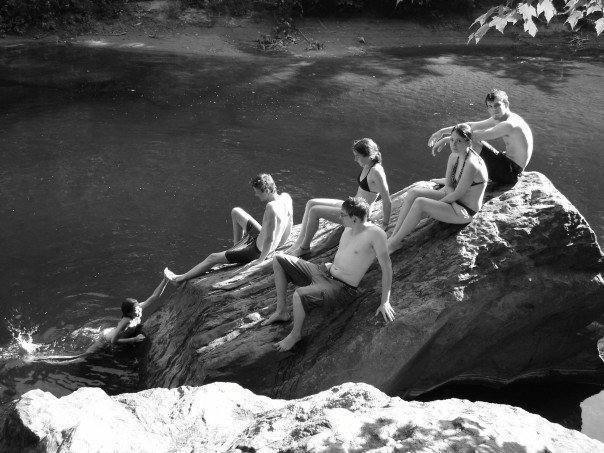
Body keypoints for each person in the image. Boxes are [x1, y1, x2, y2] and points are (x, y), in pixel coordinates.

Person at [265, 197, 395, 352]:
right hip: (324, 272)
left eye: (343, 215)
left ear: (354, 219)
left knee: (299, 295)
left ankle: (295, 335)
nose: (340, 217)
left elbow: (387, 268)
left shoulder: (376, 234)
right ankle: (281, 311)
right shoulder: (350, 226)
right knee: (278, 259)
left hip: (342, 287)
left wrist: (385, 301)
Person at [164, 174, 293, 283]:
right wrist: (280, 245)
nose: (256, 195)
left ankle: (179, 279)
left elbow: (269, 239)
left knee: (212, 258)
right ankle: (235, 249)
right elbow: (289, 223)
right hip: (261, 241)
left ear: (267, 191)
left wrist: (260, 260)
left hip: (255, 251)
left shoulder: (271, 207)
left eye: (257, 192)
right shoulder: (286, 198)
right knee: (236, 212)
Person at [389, 123, 488, 252]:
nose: (453, 144)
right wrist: (450, 203)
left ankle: (393, 244)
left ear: (468, 142)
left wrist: (435, 205)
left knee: (420, 203)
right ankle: (394, 235)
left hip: (465, 211)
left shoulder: (472, 164)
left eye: (458, 141)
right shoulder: (454, 156)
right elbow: (448, 185)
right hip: (455, 202)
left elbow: (457, 193)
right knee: (413, 193)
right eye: (452, 140)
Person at [286, 138, 391, 257]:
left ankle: (304, 248)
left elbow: (386, 199)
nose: (355, 159)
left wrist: (385, 224)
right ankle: (299, 242)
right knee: (311, 203)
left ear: (369, 155)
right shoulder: (368, 164)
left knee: (315, 211)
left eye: (358, 156)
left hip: (356, 214)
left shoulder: (376, 171)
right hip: (351, 204)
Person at [32, 277, 169, 363]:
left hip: (108, 331)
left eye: (138, 306)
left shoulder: (137, 310)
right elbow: (113, 341)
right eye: (136, 309)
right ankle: (40, 359)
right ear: (129, 312)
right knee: (82, 357)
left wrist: (165, 280)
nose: (139, 309)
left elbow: (154, 297)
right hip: (106, 338)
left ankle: (84, 331)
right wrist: (134, 340)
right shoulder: (126, 321)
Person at [428, 89, 533, 187]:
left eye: (497, 105)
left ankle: (453, 180)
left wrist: (446, 139)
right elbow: (471, 126)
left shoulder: (509, 124)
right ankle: (461, 178)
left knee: (470, 143)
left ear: (506, 104)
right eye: (490, 106)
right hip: (509, 165)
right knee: (468, 142)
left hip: (510, 173)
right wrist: (441, 131)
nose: (493, 110)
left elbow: (470, 137)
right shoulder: (502, 117)